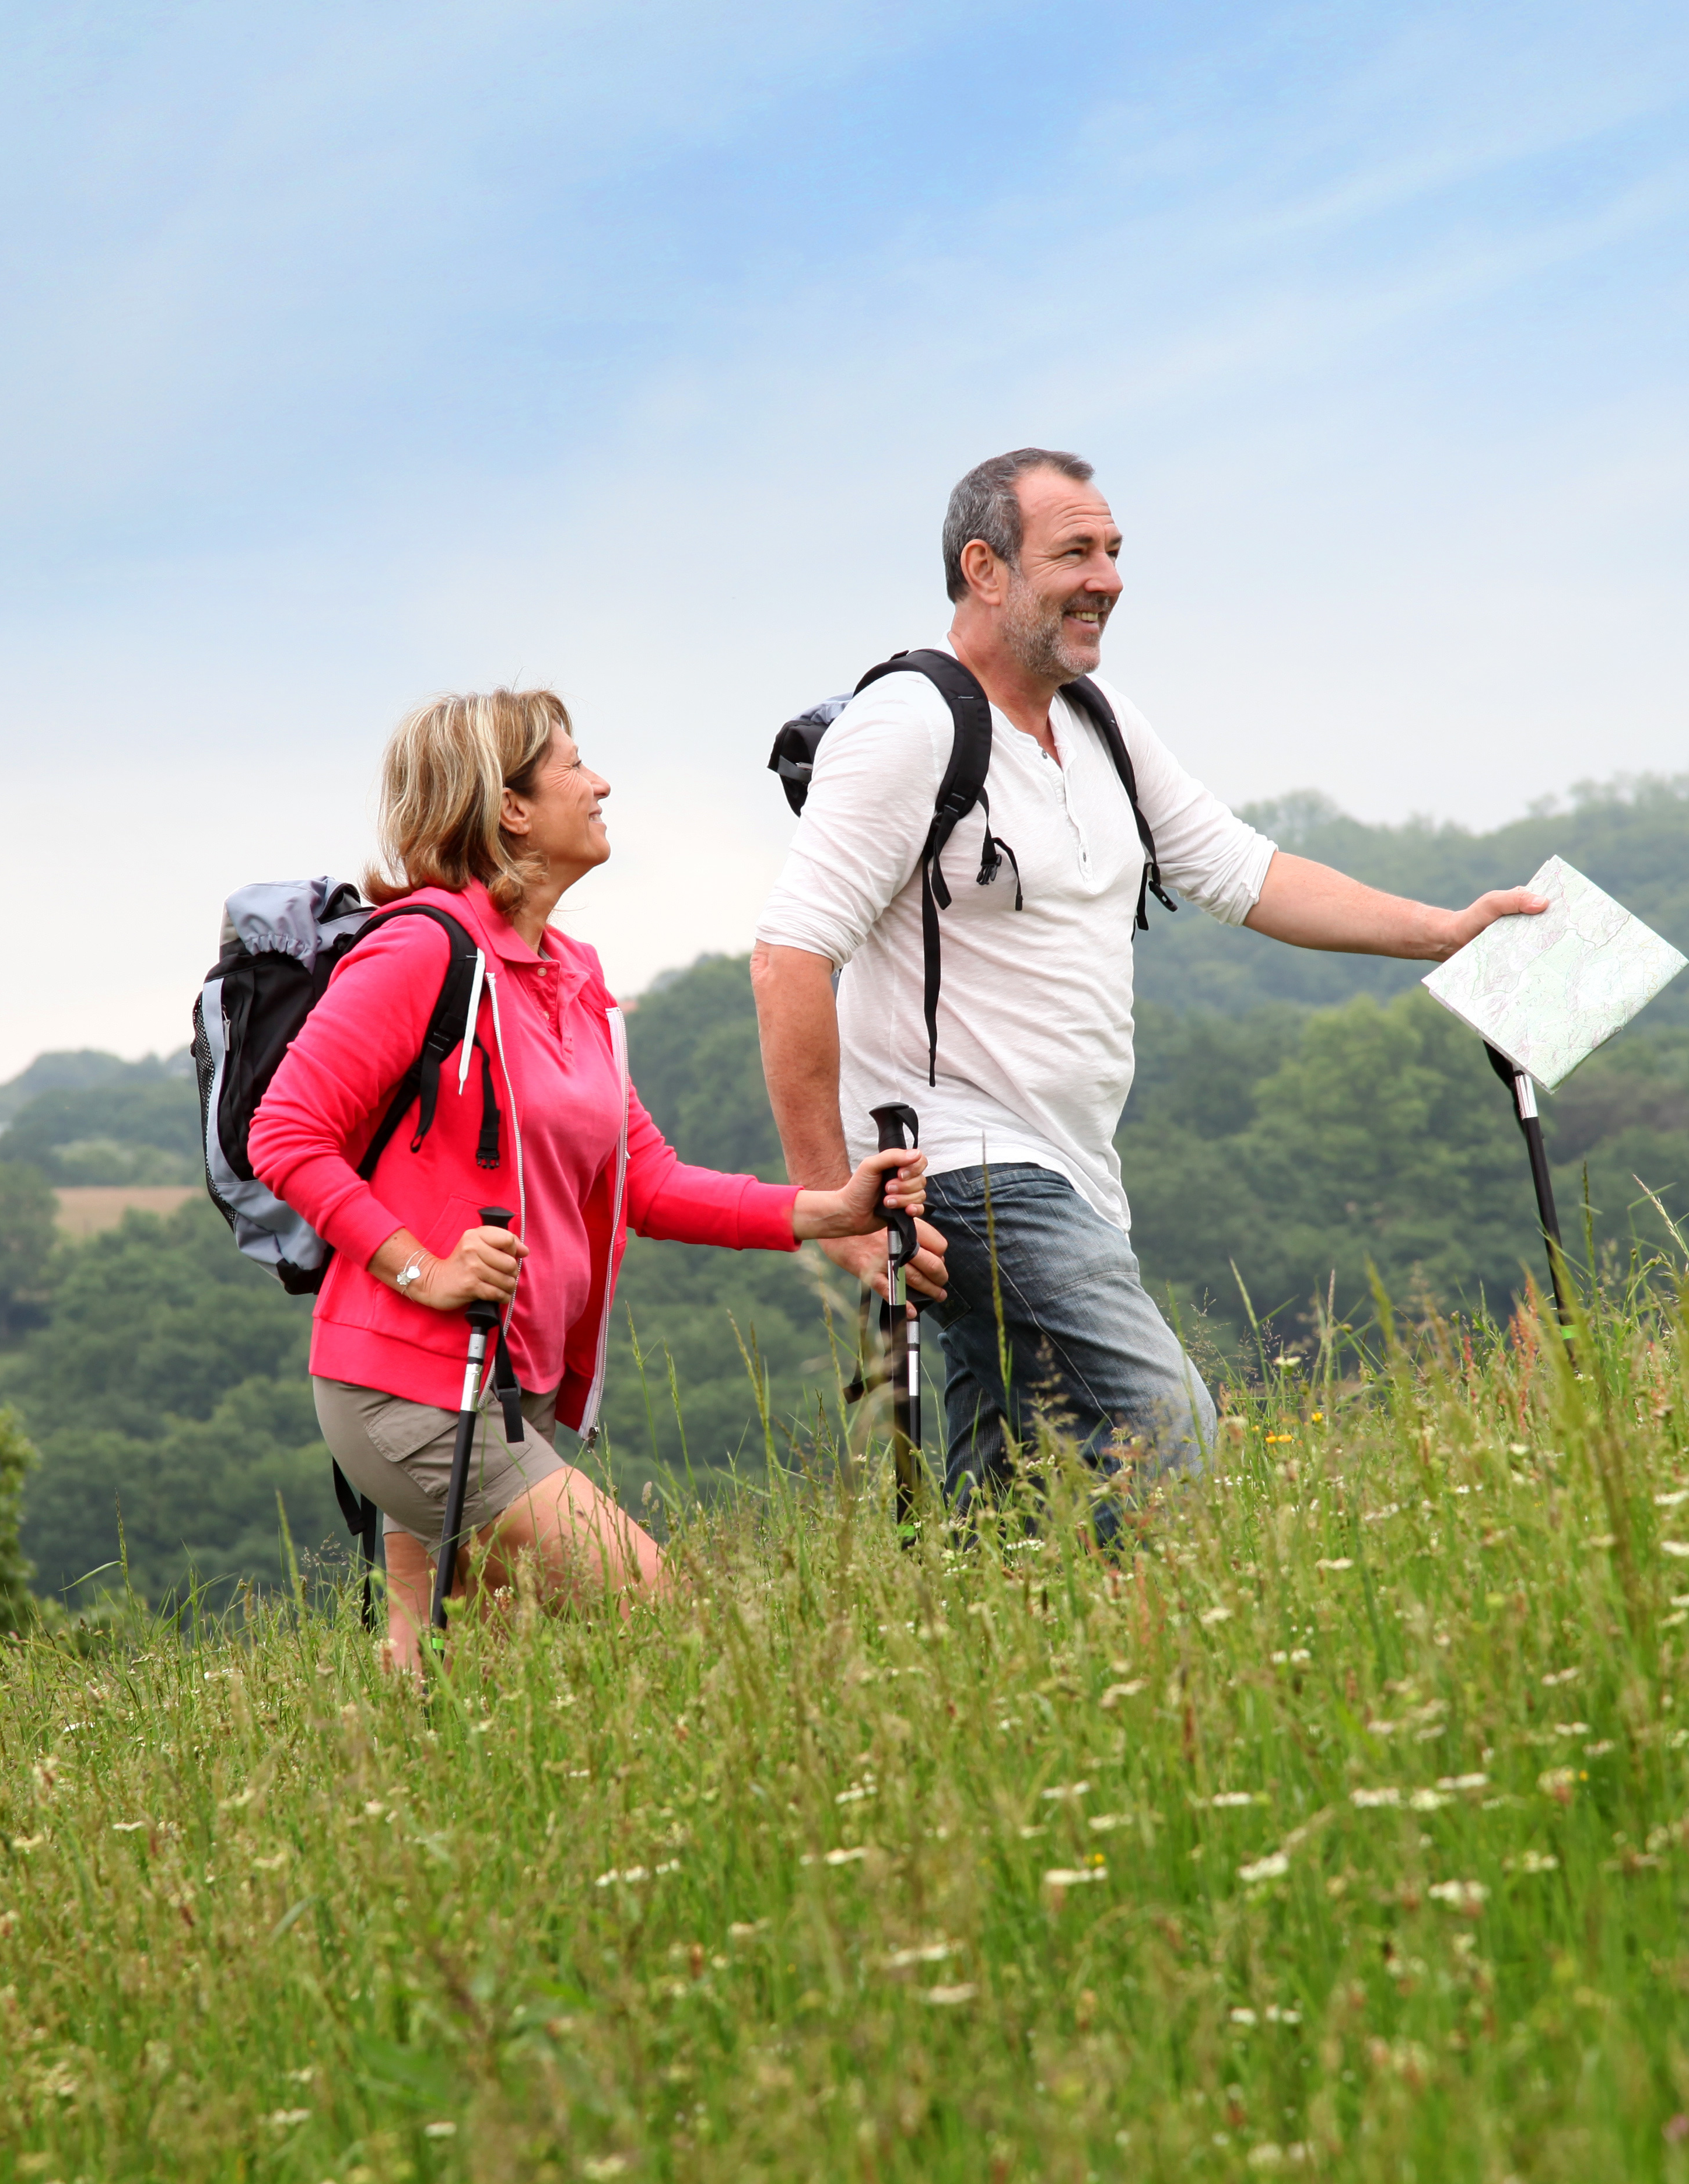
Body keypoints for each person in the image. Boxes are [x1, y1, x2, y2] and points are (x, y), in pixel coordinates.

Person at [751, 446, 1543, 1514]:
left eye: (1115, 552)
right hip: (969, 1167)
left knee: (1017, 1511)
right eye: (1075, 551)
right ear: (984, 570)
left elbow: (1242, 871)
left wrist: (1443, 930)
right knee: (1167, 1431)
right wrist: (829, 1207)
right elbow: (790, 956)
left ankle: (990, 1663)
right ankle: (1181, 1655)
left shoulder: (1099, 720)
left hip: (1079, 1169)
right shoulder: (909, 726)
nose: (1110, 579)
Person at [252, 688, 927, 1672]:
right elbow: (288, 1135)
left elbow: (643, 1181)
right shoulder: (421, 949)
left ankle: (373, 1821)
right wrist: (420, 1269)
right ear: (510, 806)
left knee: (450, 1672)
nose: (600, 781)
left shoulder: (571, 975)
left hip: (501, 1382)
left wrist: (826, 1211)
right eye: (572, 764)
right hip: (411, 1384)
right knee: (668, 1611)